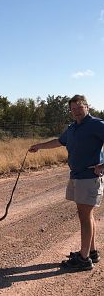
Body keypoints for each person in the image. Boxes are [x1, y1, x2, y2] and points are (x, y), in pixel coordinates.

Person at [29, 94, 104, 271]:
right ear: (70, 111)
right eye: (73, 109)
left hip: (89, 178)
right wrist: (39, 146)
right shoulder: (72, 128)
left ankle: (83, 259)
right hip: (77, 176)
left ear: (87, 107)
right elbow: (59, 141)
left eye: (80, 108)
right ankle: (91, 251)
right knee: (87, 215)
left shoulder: (96, 124)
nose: (76, 111)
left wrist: (103, 165)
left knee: (84, 217)